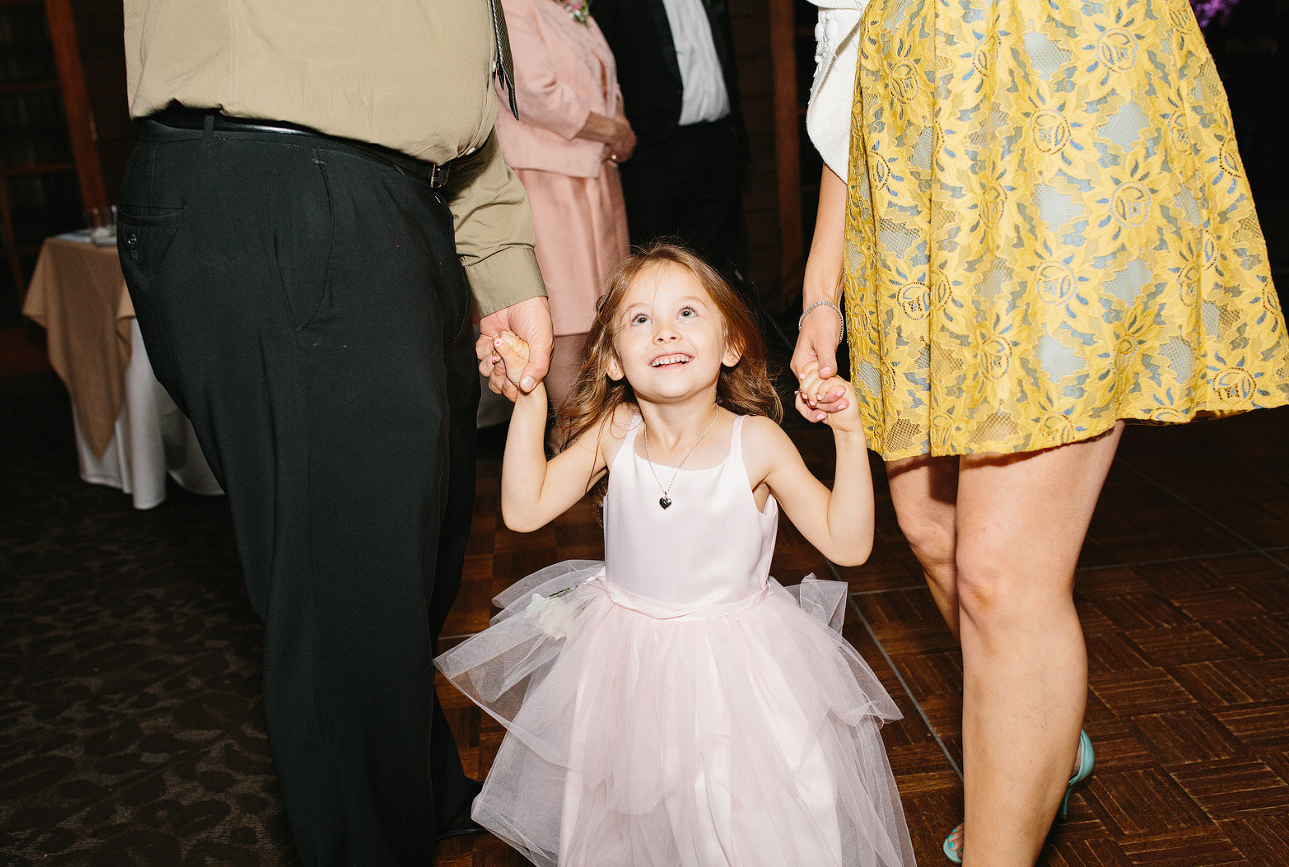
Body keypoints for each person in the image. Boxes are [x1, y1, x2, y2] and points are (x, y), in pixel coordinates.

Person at [794, 2, 1289, 865]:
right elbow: (848, 36)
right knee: (933, 531)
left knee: (1000, 570)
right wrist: (819, 284)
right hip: (919, 161)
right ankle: (1042, 739)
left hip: (1064, 97)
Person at [116, 1, 554, 863]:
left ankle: (414, 784)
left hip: (402, 193)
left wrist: (495, 247)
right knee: (345, 595)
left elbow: (442, 63)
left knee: (410, 557)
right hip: (282, 180)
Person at [435, 243, 917, 867]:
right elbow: (524, 510)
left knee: (741, 821)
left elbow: (848, 544)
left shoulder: (758, 444)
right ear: (611, 360)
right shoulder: (616, 435)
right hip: (625, 667)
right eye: (640, 320)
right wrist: (528, 400)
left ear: (730, 345)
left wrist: (850, 438)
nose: (664, 330)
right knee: (630, 823)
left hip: (736, 676)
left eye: (688, 313)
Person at [496, 0, 636, 415]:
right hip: (547, 183)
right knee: (565, 320)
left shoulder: (573, 7)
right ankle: (570, 440)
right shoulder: (513, 5)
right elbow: (532, 92)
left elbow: (604, 81)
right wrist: (612, 130)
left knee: (607, 313)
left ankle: (606, 446)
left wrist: (620, 123)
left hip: (595, 177)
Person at [591, 0, 750, 284]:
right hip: (654, 151)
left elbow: (726, 60)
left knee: (719, 271)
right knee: (654, 268)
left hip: (719, 143)